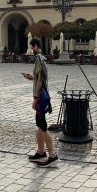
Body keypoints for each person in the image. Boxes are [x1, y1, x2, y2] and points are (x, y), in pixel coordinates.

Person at [20, 38, 57, 166]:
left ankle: (53, 155)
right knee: (39, 125)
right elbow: (38, 78)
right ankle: (41, 152)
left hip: (40, 97)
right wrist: (32, 77)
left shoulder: (39, 59)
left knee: (43, 126)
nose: (31, 50)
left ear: (35, 46)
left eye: (32, 48)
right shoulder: (41, 60)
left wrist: (36, 96)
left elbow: (41, 78)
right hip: (40, 95)